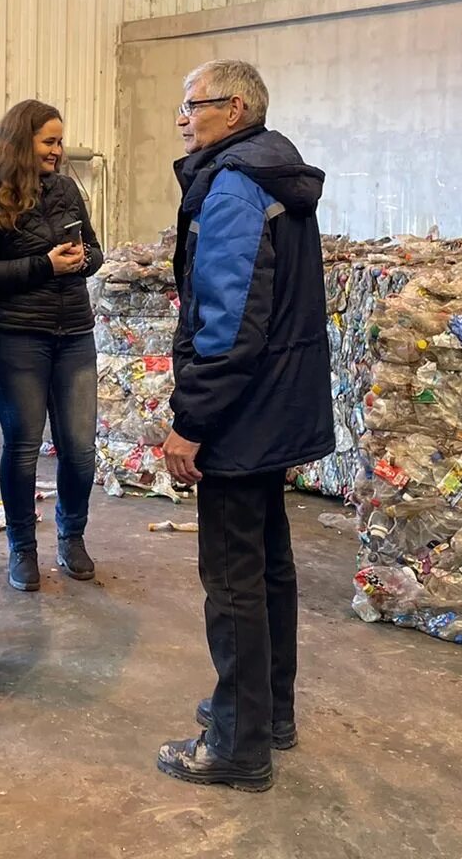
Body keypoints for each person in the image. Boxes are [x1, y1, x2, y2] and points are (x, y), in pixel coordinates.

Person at [156, 60, 334, 793]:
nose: (182, 118)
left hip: (240, 414)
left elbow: (228, 325)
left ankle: (235, 745)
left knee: (232, 581)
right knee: (268, 566)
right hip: (278, 405)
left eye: (191, 104)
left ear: (233, 109)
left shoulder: (233, 189)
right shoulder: (273, 174)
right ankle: (268, 712)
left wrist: (192, 423)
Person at [0, 100, 103, 593]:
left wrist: (83, 259)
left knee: (81, 451)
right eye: (50, 142)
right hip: (18, 337)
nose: (59, 152)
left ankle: (72, 535)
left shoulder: (65, 188)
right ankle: (22, 547)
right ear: (23, 141)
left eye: (61, 142)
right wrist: (46, 265)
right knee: (22, 448)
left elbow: (97, 251)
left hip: (75, 334)